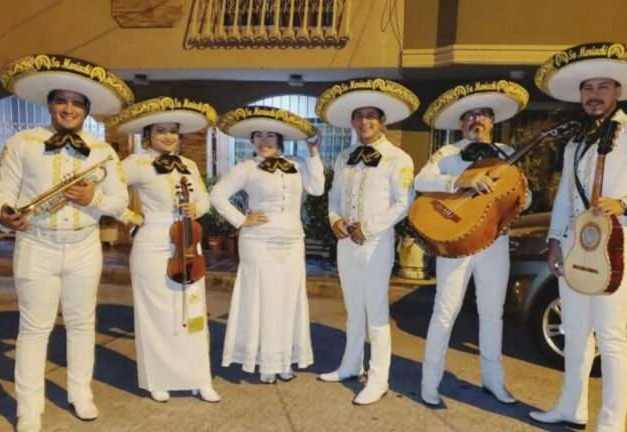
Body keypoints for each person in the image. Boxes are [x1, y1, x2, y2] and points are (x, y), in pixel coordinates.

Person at [529, 42, 627, 431]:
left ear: (618, 93)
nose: (594, 94)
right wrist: (554, 240)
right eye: (587, 88)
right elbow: (565, 192)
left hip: (619, 242)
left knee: (612, 335)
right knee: (575, 330)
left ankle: (611, 423)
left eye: (603, 87)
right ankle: (571, 408)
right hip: (574, 243)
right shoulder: (576, 139)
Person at [0, 54, 133, 432]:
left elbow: (121, 202)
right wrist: (5, 211)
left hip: (85, 246)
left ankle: (80, 393)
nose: (68, 108)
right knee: (34, 328)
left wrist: (95, 200)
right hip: (37, 244)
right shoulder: (22, 142)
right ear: (50, 104)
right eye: (61, 100)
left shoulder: (104, 151)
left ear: (86, 109)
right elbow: (4, 188)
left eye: (77, 102)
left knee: (82, 323)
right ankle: (29, 407)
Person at [416, 80, 531, 406]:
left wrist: (516, 193)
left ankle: (493, 381)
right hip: (454, 242)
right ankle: (430, 382)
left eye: (483, 115)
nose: (476, 121)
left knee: (492, 312)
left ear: (493, 122)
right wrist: (460, 180)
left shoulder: (508, 155)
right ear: (460, 123)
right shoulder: (448, 152)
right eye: (469, 116)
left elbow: (528, 197)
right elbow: (422, 181)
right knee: (445, 311)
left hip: (494, 243)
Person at [106, 96, 221, 403]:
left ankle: (199, 378)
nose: (168, 136)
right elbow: (106, 191)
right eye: (161, 131)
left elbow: (206, 202)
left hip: (187, 238)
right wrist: (130, 217)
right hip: (153, 242)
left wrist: (194, 207)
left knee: (193, 309)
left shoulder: (189, 165)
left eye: (173, 130)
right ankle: (158, 378)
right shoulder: (136, 163)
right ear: (148, 135)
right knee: (155, 313)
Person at [315, 78, 418, 405]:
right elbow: (332, 199)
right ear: (353, 121)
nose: (365, 122)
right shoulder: (344, 156)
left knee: (375, 311)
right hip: (346, 243)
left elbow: (403, 203)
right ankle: (350, 365)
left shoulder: (398, 158)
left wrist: (368, 228)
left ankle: (378, 378)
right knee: (352, 310)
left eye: (371, 115)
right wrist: (336, 221)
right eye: (359, 116)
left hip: (376, 244)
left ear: (382, 120)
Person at [212, 105, 324, 384]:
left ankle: (284, 360)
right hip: (258, 241)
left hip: (292, 239)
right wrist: (241, 219)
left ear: (280, 140)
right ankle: (263, 363)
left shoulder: (298, 164)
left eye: (270, 136)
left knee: (288, 299)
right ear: (251, 140)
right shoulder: (246, 167)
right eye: (258, 136)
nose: (263, 142)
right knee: (263, 299)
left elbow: (318, 188)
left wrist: (313, 153)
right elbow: (217, 196)